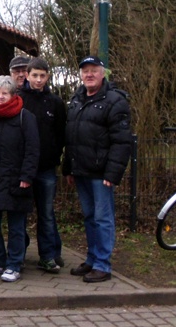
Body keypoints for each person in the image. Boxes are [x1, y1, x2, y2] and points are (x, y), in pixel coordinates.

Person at [63, 56, 131, 283]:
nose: (89, 74)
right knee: (89, 217)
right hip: (81, 171)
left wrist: (113, 174)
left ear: (103, 74)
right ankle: (92, 259)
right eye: (85, 71)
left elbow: (121, 142)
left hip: (101, 175)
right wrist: (69, 168)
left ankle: (103, 265)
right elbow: (70, 137)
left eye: (94, 70)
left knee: (103, 219)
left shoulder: (115, 101)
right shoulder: (76, 99)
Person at [0, 76, 40, 283]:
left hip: (15, 179)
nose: (0, 96)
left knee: (16, 227)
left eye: (5, 93)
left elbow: (32, 149)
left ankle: (14, 264)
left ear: (13, 95)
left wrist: (26, 176)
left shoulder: (25, 117)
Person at [18, 57, 67, 273]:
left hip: (46, 168)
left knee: (46, 214)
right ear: (26, 76)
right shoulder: (18, 99)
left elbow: (61, 134)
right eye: (34, 75)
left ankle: (48, 255)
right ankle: (18, 254)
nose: (38, 80)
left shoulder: (55, 102)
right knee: (19, 214)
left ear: (47, 77)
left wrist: (55, 157)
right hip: (21, 169)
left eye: (42, 76)